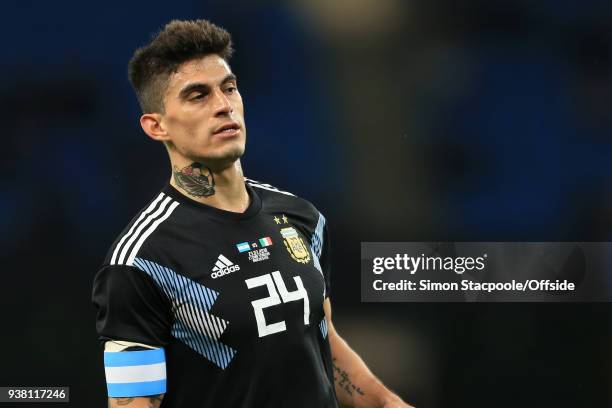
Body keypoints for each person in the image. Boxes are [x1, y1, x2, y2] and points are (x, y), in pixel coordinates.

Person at [92, 19, 414, 408]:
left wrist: (386, 404)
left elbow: (319, 338)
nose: (223, 105)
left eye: (228, 88)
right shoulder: (142, 261)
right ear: (157, 126)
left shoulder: (302, 218)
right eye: (198, 95)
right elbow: (133, 403)